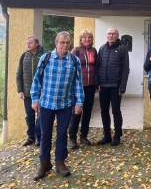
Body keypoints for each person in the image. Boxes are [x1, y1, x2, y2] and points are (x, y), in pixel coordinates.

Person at [30, 31, 84, 180]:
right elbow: (36, 81)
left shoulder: (74, 61)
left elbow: (78, 83)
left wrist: (79, 102)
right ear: (56, 43)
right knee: (45, 134)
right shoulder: (45, 58)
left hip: (65, 104)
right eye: (62, 42)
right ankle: (44, 163)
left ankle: (60, 162)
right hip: (46, 103)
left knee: (62, 134)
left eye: (68, 42)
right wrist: (34, 99)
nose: (65, 45)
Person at [96, 27, 130, 146]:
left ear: (117, 36)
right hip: (103, 87)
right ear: (106, 35)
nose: (110, 36)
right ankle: (107, 136)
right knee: (104, 111)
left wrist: (123, 86)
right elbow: (97, 67)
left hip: (116, 86)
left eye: (113, 34)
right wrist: (97, 84)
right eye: (109, 34)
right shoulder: (102, 49)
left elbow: (126, 69)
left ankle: (117, 136)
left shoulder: (122, 49)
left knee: (116, 111)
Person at [68, 29, 97, 149]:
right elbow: (70, 67)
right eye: (85, 37)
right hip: (78, 86)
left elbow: (97, 67)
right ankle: (72, 138)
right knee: (76, 112)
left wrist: (97, 84)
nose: (87, 39)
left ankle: (83, 136)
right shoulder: (76, 50)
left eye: (89, 37)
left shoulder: (93, 50)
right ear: (80, 39)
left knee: (88, 112)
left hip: (90, 86)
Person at [16, 36, 46, 147]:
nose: (28, 45)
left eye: (30, 43)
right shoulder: (24, 56)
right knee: (29, 115)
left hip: (41, 92)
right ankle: (31, 136)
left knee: (41, 115)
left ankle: (38, 136)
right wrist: (20, 90)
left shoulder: (44, 55)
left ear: (37, 44)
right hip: (27, 92)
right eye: (26, 43)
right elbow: (19, 74)